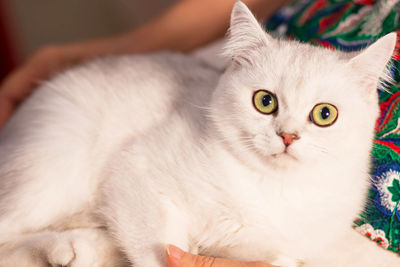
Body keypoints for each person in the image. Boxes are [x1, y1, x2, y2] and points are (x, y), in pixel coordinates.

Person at [2, 0, 400, 266]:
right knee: (42, 190)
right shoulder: (209, 156)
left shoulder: (337, 206)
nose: (289, 133)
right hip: (95, 102)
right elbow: (133, 175)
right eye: (266, 103)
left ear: (367, 98)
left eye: (324, 114)